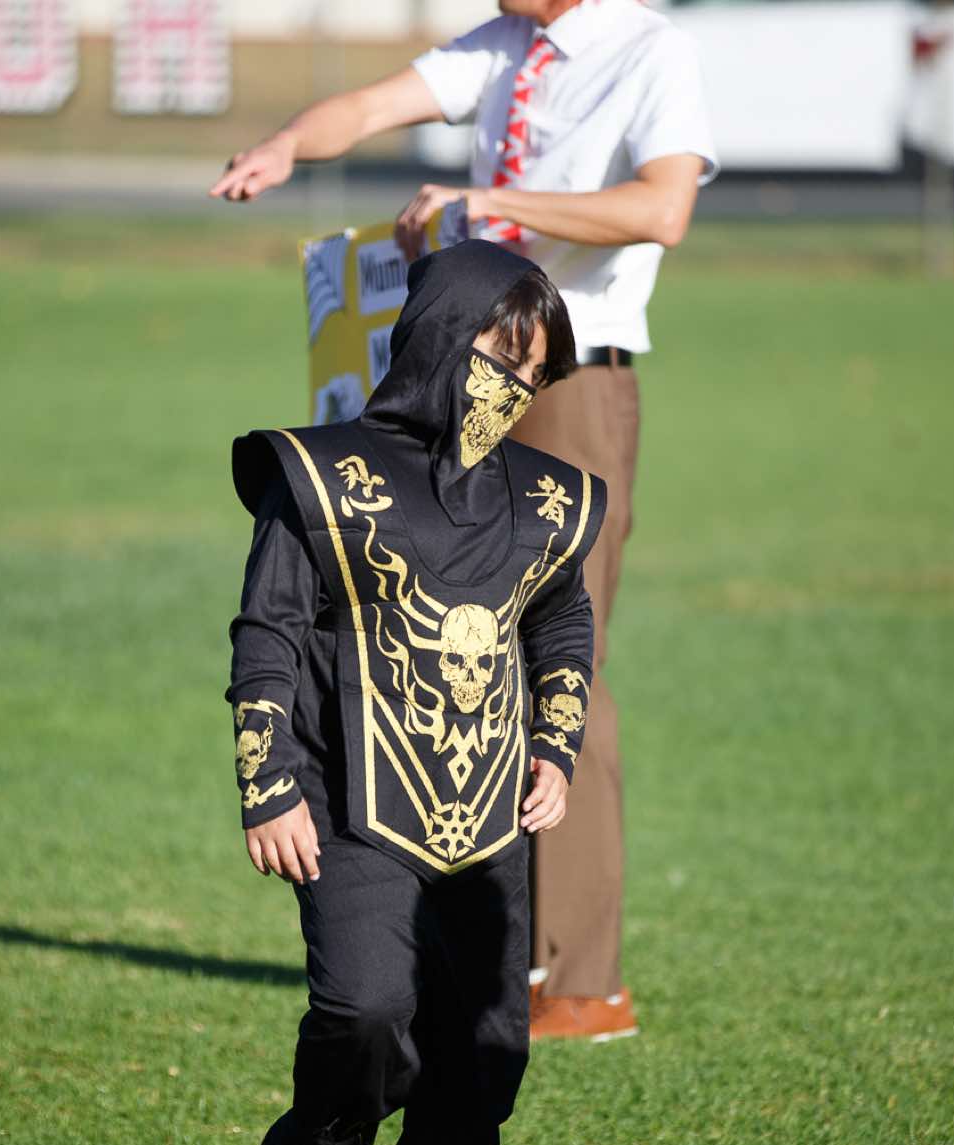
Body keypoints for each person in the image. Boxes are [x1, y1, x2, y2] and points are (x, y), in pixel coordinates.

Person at [212, 0, 717, 1041]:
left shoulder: (650, 49)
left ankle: (579, 980)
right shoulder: (507, 43)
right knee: (438, 643)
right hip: (459, 380)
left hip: (566, 382)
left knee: (561, 658)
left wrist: (490, 204)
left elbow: (662, 207)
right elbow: (368, 107)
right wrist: (287, 145)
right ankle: (466, 941)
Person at [229, 240, 602, 1145]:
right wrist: (267, 782)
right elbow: (267, 633)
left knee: (486, 1041)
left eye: (534, 371)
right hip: (346, 807)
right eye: (500, 356)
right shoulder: (320, 478)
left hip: (489, 810)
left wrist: (555, 743)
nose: (515, 386)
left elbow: (561, 616)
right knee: (366, 1010)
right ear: (441, 338)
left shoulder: (543, 499)